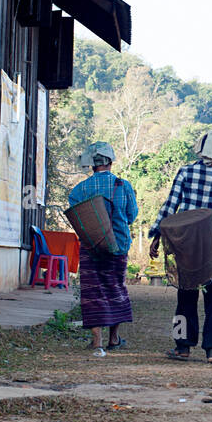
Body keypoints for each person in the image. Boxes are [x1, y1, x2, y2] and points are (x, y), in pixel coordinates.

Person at [149, 130, 212, 364]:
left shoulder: (185, 173)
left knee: (185, 298)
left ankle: (182, 347)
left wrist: (156, 235)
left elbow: (170, 206)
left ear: (201, 151)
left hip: (188, 247)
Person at [68, 141, 138, 357]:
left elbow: (76, 218)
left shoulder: (79, 190)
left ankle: (96, 341)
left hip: (91, 247)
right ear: (110, 161)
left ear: (91, 164)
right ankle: (114, 338)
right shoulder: (123, 186)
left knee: (93, 292)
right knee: (115, 288)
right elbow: (131, 215)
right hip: (117, 246)